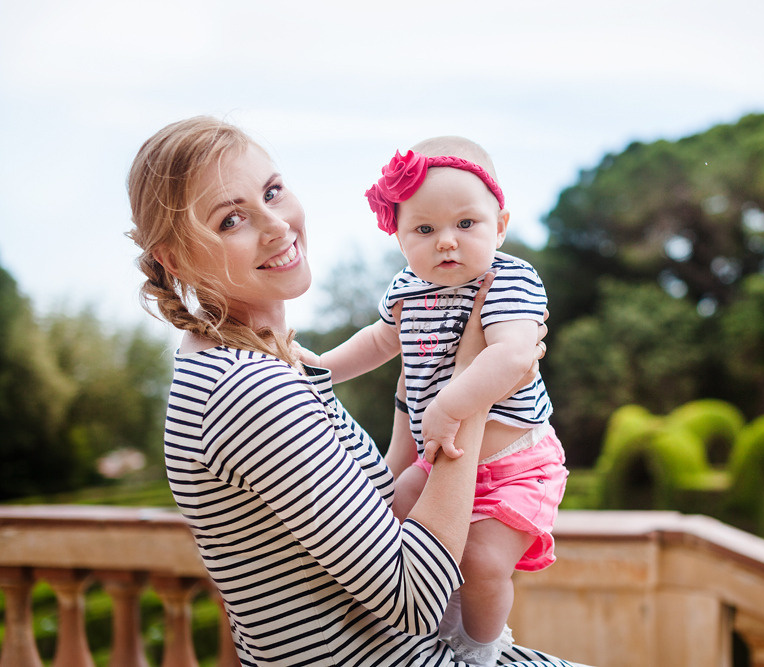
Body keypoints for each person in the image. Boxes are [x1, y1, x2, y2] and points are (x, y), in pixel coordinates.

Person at [126, 116, 583, 667]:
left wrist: (419, 386)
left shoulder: (261, 366)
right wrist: (471, 389)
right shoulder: (247, 391)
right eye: (231, 220)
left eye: (272, 192)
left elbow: (373, 506)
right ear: (177, 259)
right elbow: (415, 600)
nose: (277, 225)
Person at [302, 137, 568, 666]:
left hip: (514, 464)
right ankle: (419, 625)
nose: (446, 242)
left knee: (485, 561)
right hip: (439, 459)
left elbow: (515, 356)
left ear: (501, 224)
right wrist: (322, 368)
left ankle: (481, 648)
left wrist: (449, 405)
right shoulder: (406, 290)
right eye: (424, 230)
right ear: (400, 240)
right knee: (388, 522)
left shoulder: (508, 281)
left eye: (466, 224)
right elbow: (379, 342)